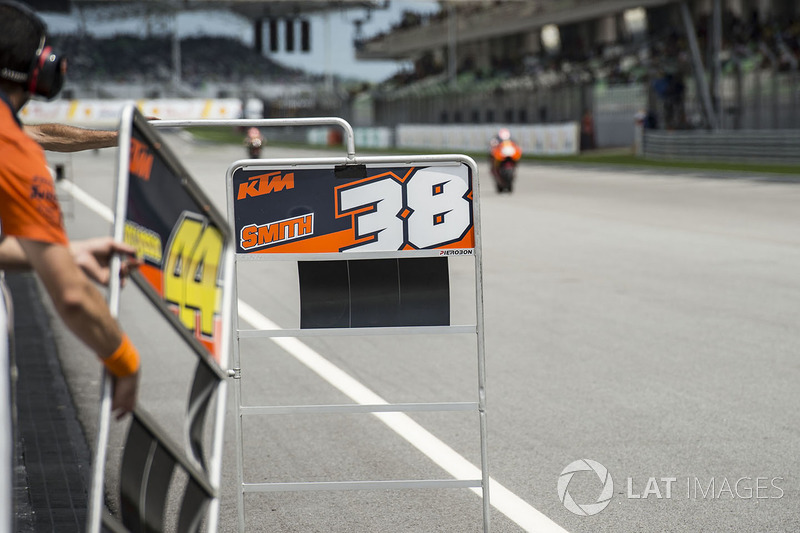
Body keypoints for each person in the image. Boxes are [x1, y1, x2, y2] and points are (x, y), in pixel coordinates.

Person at [0, 0, 140, 419]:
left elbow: (47, 132)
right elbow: (73, 297)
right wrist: (125, 360)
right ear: (40, 70)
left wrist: (69, 254)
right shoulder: (12, 147)